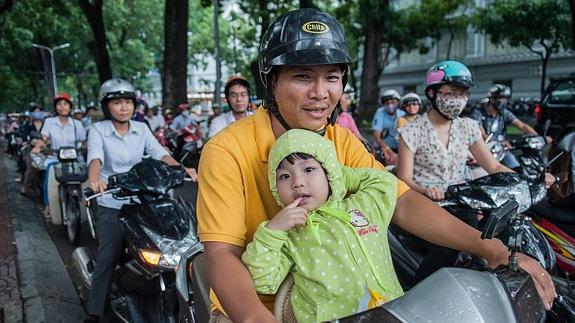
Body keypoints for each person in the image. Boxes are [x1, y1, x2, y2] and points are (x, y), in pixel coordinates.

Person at [196, 9, 556, 323]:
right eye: (303, 76)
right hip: (263, 305)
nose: (321, 92)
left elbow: (401, 200)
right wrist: (254, 318)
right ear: (271, 82)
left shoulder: (339, 141)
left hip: (348, 300)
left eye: (332, 77)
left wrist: (492, 249)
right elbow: (223, 254)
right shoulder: (226, 150)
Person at [396, 60, 557, 283]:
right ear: (432, 93)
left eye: (462, 94)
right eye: (451, 93)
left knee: (490, 242)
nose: (457, 100)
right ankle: (415, 294)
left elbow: (494, 166)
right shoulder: (411, 131)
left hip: (463, 203)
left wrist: (529, 180)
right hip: (425, 204)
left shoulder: (468, 127)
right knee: (447, 250)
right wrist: (427, 190)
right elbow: (403, 178)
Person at [242, 129, 401, 322]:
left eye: (309, 169)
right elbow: (262, 281)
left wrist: (337, 176)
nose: (298, 183)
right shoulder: (288, 235)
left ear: (329, 172)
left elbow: (385, 181)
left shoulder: (362, 206)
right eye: (284, 176)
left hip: (393, 313)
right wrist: (273, 231)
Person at [83, 79, 197, 323]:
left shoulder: (142, 129)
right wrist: (95, 180)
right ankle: (94, 312)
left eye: (127, 102)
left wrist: (183, 169)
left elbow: (160, 154)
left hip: (145, 198)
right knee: (108, 258)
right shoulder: (98, 130)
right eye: (117, 102)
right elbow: (95, 159)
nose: (123, 107)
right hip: (113, 201)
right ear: (107, 106)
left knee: (176, 244)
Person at [471, 84, 551, 170]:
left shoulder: (504, 113)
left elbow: (522, 126)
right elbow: (482, 134)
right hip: (486, 149)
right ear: (492, 99)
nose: (504, 101)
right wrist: (496, 141)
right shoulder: (479, 113)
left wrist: (539, 137)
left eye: (505, 98)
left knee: (516, 168)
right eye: (501, 98)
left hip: (503, 149)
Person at [34, 93, 87, 221]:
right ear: (55, 107)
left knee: (87, 174)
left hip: (75, 157)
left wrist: (89, 147)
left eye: (65, 104)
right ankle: (48, 205)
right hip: (55, 157)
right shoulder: (49, 122)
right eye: (59, 104)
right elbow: (44, 138)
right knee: (49, 175)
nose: (62, 107)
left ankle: (88, 206)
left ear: (70, 106)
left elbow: (84, 141)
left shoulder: (77, 124)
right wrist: (37, 147)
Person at [371, 89, 405, 165]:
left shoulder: (402, 114)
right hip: (384, 146)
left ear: (398, 102)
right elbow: (377, 134)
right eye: (387, 103)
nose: (390, 105)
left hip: (400, 147)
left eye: (393, 102)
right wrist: (388, 150)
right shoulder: (380, 113)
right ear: (383, 104)